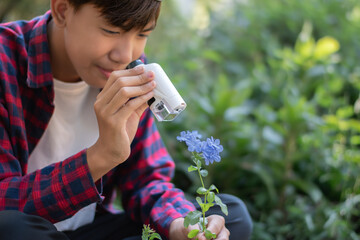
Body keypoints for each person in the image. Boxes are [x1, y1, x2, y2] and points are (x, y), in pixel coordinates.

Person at [0, 0, 253, 239]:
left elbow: (147, 180)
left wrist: (180, 224)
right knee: (10, 228)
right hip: (27, 231)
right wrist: (100, 158)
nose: (125, 54)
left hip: (92, 231)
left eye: (142, 34)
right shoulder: (5, 58)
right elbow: (4, 201)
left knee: (226, 216)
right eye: (111, 31)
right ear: (63, 10)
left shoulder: (130, 72)